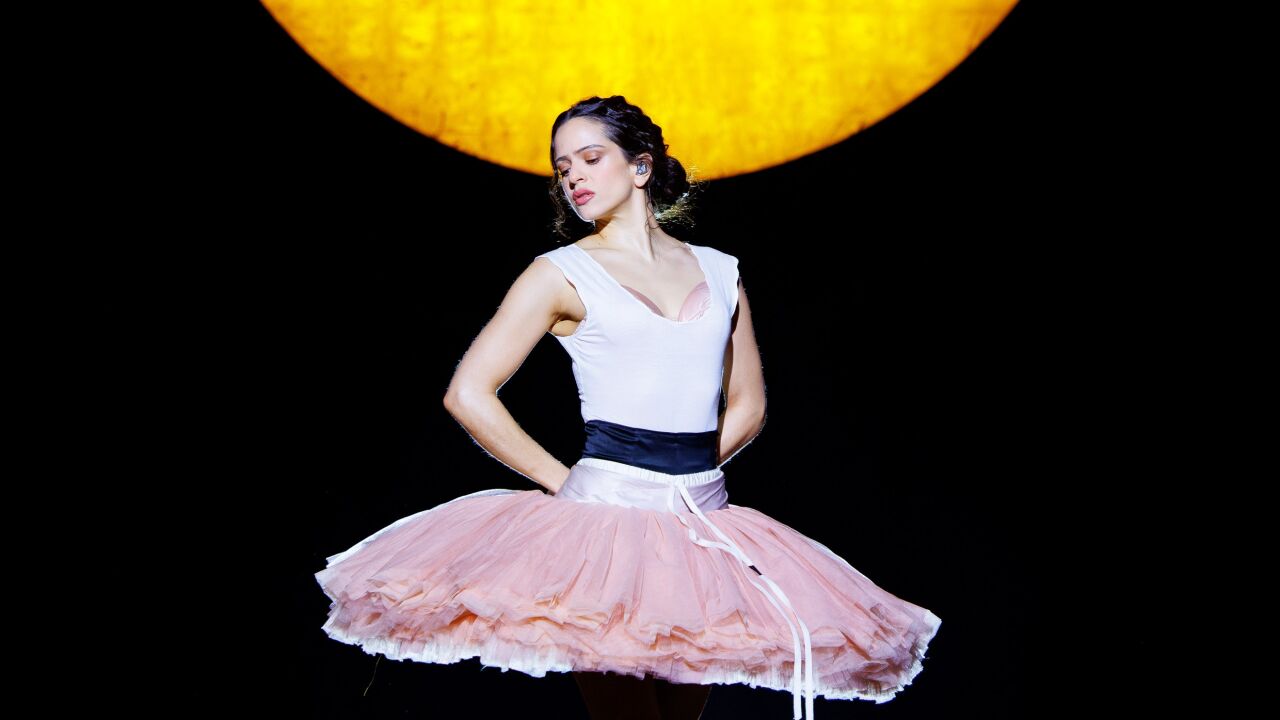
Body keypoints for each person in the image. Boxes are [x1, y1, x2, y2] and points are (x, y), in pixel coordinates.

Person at [314, 95, 942, 720]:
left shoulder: (720, 272)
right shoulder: (560, 273)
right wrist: (566, 481)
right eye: (563, 168)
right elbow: (468, 393)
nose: (574, 178)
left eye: (590, 159)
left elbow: (748, 405)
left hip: (700, 528)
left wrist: (684, 479)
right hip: (603, 529)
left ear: (641, 166)